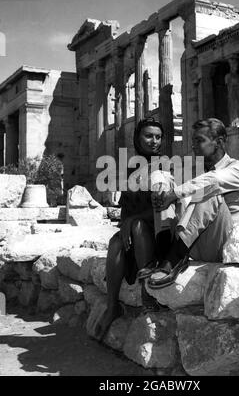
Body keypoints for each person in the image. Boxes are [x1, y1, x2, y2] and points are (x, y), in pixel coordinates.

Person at [148, 118, 239, 289]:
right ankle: (164, 251)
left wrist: (173, 194)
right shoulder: (199, 171)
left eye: (200, 140)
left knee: (208, 190)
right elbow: (163, 174)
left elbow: (212, 180)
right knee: (162, 182)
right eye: (193, 141)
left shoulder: (236, 169)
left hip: (225, 245)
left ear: (218, 142)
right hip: (196, 244)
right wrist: (160, 189)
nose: (194, 146)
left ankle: (172, 259)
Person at [91, 118, 171, 341]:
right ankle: (112, 305)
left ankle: (148, 294)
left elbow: (164, 207)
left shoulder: (166, 165)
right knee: (116, 242)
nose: (154, 141)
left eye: (158, 137)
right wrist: (125, 224)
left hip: (160, 233)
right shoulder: (129, 167)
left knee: (136, 225)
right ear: (137, 138)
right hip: (137, 231)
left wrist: (131, 221)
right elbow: (127, 206)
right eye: (149, 136)